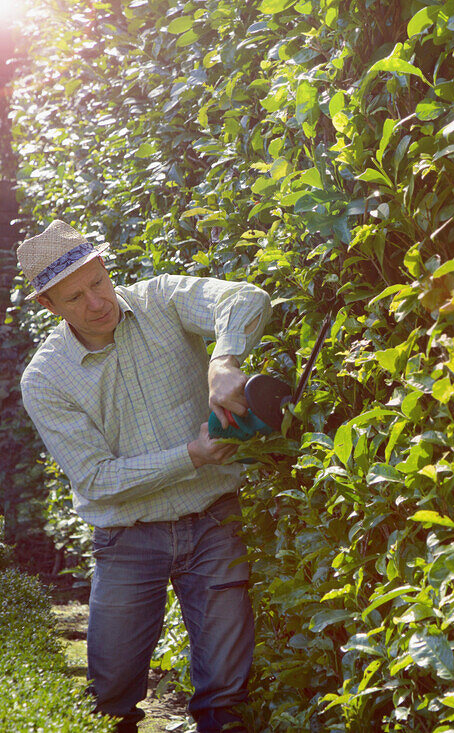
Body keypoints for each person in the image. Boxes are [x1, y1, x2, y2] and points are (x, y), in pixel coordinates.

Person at [17, 220, 271, 733]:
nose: (96, 302)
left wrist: (224, 359)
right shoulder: (45, 379)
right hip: (127, 540)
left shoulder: (160, 299)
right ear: (49, 306)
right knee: (110, 698)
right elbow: (97, 479)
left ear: (106, 268)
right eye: (75, 297)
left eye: (98, 282)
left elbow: (247, 298)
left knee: (226, 694)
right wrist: (193, 455)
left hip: (215, 525)